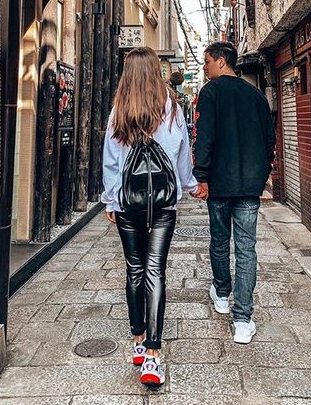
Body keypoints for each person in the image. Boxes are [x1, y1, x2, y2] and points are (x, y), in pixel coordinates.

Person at [102, 47, 197, 387]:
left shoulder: (120, 110)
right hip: (163, 204)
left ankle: (138, 341)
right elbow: (180, 152)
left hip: (128, 202)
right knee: (155, 269)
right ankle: (154, 357)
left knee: (134, 269)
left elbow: (111, 162)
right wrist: (188, 186)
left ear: (127, 75)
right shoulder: (170, 108)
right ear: (156, 72)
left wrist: (111, 201)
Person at [192, 41, 275, 344]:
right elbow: (270, 139)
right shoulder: (255, 95)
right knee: (246, 248)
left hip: (219, 182)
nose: (205, 67)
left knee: (219, 241)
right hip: (250, 184)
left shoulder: (210, 93)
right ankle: (243, 319)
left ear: (221, 61)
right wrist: (263, 174)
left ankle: (223, 294)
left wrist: (200, 175)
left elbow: (203, 138)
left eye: (207, 61)